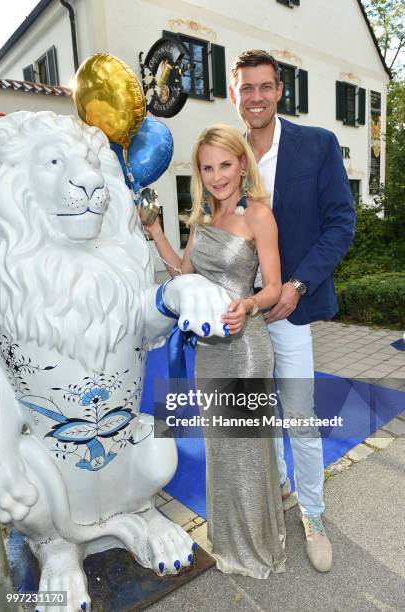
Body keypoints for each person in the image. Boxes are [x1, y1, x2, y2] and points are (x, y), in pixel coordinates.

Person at [229, 49, 355, 572]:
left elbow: (340, 224)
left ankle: (314, 515)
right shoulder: (227, 152)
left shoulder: (316, 145)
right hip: (241, 315)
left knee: (299, 417)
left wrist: (297, 285)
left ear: (279, 91)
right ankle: (277, 485)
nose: (255, 97)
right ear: (234, 94)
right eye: (245, 88)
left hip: (290, 310)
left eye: (264, 87)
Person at [144, 124, 287, 578]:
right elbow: (182, 274)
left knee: (247, 449)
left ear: (242, 164)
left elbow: (274, 287)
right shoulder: (202, 221)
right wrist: (153, 231)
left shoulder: (258, 216)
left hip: (245, 347)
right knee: (222, 449)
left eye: (225, 164)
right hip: (209, 350)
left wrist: (247, 304)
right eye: (207, 167)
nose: (217, 175)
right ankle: (228, 542)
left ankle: (257, 547)